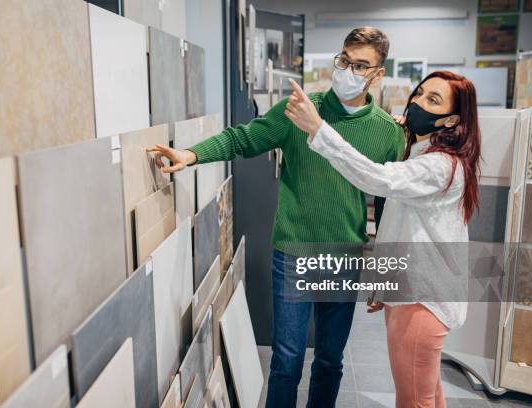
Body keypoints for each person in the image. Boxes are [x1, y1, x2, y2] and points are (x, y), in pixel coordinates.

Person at [148, 27, 406, 408]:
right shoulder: (300, 111)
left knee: (329, 361)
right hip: (294, 252)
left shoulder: (386, 133)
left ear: (378, 73)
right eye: (345, 60)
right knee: (287, 361)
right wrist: (192, 155)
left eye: (361, 65)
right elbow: (244, 137)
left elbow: (389, 207)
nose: (349, 70)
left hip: (345, 255)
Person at [284, 70, 481, 407]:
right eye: (419, 94)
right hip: (415, 295)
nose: (418, 101)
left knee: (414, 400)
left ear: (451, 119)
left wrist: (319, 130)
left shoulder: (439, 167)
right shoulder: (427, 155)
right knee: (429, 396)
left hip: (422, 302)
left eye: (433, 100)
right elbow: (402, 226)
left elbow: (377, 178)